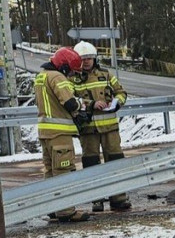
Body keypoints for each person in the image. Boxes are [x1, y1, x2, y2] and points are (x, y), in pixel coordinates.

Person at [72, 41, 131, 212]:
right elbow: (70, 100)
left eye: (89, 58)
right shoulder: (72, 79)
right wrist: (91, 104)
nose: (87, 62)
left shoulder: (105, 74)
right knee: (92, 165)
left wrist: (116, 103)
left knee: (115, 162)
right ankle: (96, 200)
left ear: (95, 58)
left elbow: (121, 92)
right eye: (83, 59)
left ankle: (119, 198)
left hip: (110, 129)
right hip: (88, 130)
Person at [34, 47, 90, 222]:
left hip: (45, 132)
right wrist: (82, 107)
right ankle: (66, 211)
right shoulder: (57, 77)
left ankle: (53, 208)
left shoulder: (41, 76)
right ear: (64, 66)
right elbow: (70, 103)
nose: (72, 75)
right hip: (60, 133)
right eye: (71, 71)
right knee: (64, 171)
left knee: (50, 172)